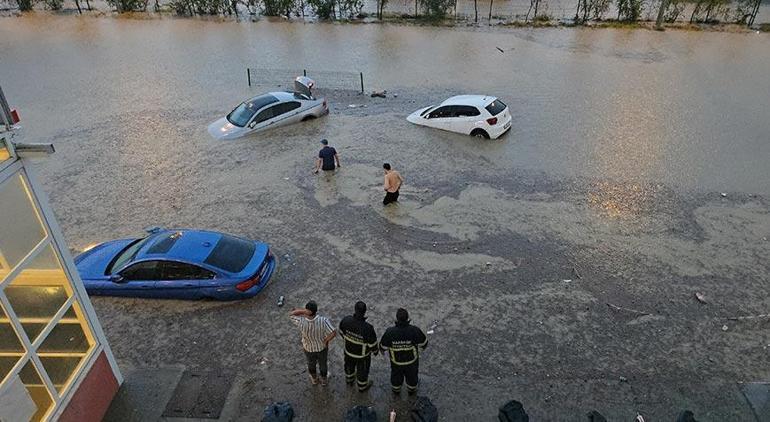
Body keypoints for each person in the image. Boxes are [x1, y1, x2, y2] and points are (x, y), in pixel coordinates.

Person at [379, 308, 427, 395]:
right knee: (412, 377)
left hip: (396, 362)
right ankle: (411, 391)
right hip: (411, 362)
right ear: (407, 318)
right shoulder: (414, 330)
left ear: (397, 318)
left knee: (396, 377)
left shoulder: (390, 332)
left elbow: (382, 347)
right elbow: (424, 343)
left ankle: (396, 391)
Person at [289, 301, 337, 386]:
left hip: (308, 348)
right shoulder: (323, 320)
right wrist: (326, 340)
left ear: (307, 311)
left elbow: (291, 314)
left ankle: (314, 379)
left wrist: (303, 311)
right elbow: (333, 333)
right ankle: (324, 381)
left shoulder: (301, 321)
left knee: (311, 364)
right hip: (322, 347)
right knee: (323, 364)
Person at [339, 301, 378, 392]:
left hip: (348, 352)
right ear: (365, 311)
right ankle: (362, 387)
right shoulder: (368, 328)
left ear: (355, 309)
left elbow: (341, 333)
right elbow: (373, 345)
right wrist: (375, 352)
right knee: (362, 372)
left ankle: (349, 380)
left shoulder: (346, 320)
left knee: (349, 366)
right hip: (362, 356)